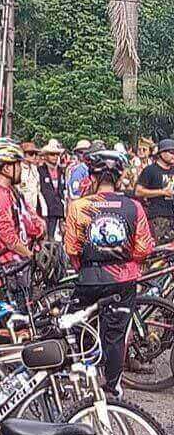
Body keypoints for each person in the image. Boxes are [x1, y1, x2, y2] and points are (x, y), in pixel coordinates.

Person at [65, 150, 154, 396]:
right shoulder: (133, 207)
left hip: (89, 277)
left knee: (79, 328)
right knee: (115, 336)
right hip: (123, 279)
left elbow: (72, 247)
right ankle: (112, 387)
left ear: (92, 176)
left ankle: (81, 383)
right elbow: (144, 247)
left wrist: (83, 267)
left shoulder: (79, 206)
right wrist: (127, 262)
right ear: (119, 176)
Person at [0, 137, 45, 304]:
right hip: (4, 269)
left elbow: (27, 216)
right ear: (7, 168)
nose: (21, 168)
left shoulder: (10, 190)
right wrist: (32, 256)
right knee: (11, 327)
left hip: (16, 267)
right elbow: (7, 236)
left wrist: (39, 227)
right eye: (17, 164)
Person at [136, 138, 174, 244]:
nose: (173, 155)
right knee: (160, 250)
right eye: (171, 152)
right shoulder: (150, 170)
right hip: (158, 216)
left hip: (171, 214)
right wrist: (162, 192)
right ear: (161, 153)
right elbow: (138, 191)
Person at [37, 139, 68, 239]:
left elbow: (63, 190)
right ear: (45, 156)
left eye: (56, 155)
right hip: (44, 209)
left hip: (57, 208)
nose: (55, 157)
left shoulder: (61, 171)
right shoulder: (40, 171)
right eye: (51, 154)